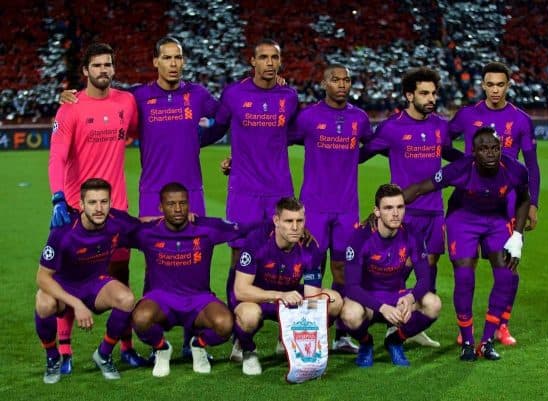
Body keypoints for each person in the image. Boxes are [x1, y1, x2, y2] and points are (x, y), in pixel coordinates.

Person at [60, 36, 221, 358]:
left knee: (196, 266)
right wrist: (71, 97)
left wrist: (198, 138)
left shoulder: (198, 94)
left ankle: (192, 340)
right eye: (167, 57)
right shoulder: (139, 98)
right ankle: (154, 336)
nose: (174, 63)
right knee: (154, 266)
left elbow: (226, 119)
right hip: (152, 194)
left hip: (192, 193)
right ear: (155, 62)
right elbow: (108, 104)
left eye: (178, 57)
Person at [48, 43, 144, 372]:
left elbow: (136, 128)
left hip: (116, 210)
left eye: (109, 64)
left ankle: (125, 348)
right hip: (77, 209)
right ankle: (64, 352)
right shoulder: (70, 108)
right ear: (85, 71)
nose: (104, 70)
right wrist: (58, 197)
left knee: (121, 276)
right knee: (66, 281)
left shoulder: (126, 102)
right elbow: (57, 156)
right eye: (97, 65)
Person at [403, 127, 530, 361]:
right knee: (464, 277)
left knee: (506, 275)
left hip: (496, 221)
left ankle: (487, 341)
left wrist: (518, 236)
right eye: (484, 149)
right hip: (463, 219)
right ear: (473, 152)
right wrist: (392, 202)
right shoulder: (461, 168)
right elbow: (422, 187)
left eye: (495, 148)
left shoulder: (515, 169)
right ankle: (468, 342)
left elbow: (524, 199)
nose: (490, 154)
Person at [360, 67, 462, 348]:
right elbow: (361, 155)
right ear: (409, 95)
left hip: (434, 212)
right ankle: (379, 317)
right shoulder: (391, 128)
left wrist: (477, 163)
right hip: (404, 213)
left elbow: (452, 155)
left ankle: (414, 325)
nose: (431, 98)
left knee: (429, 268)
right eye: (424, 93)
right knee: (400, 268)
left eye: (434, 93)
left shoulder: (440, 126)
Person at [449, 61, 541, 345]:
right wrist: (463, 165)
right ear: (483, 85)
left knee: (508, 268)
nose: (495, 90)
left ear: (508, 86)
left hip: (509, 203)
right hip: (470, 200)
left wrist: (533, 203)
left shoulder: (521, 120)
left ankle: (502, 324)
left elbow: (532, 166)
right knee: (468, 264)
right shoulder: (467, 115)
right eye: (490, 84)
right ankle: (465, 325)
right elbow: (442, 142)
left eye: (501, 85)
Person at [130, 182, 260, 377]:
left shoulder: (206, 228)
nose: (177, 209)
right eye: (171, 204)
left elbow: (246, 228)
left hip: (199, 300)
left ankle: (198, 345)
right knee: (140, 318)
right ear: (160, 207)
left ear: (189, 205)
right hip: (161, 300)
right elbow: (114, 229)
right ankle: (162, 348)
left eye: (182, 203)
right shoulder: (147, 231)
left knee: (225, 324)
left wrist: (286, 227)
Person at [287, 63, 373, 353]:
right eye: (335, 79)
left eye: (346, 79)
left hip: (347, 207)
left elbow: (369, 147)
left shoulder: (359, 119)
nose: (342, 84)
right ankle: (312, 333)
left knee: (343, 270)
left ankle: (341, 334)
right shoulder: (308, 117)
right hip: (314, 206)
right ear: (324, 83)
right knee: (312, 268)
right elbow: (279, 140)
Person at [35, 178, 139, 384]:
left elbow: (148, 228)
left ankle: (103, 354)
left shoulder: (118, 222)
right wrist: (77, 305)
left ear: (110, 203)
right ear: (81, 205)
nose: (99, 208)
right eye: (92, 203)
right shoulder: (62, 231)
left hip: (95, 283)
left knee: (126, 298)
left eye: (104, 202)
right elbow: (42, 277)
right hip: (63, 285)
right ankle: (53, 357)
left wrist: (185, 220)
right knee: (44, 303)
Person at [210, 39, 298, 269]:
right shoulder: (234, 93)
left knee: (282, 250)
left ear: (280, 62)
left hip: (278, 189)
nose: (269, 62)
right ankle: (234, 302)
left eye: (274, 57)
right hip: (244, 189)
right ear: (252, 61)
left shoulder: (289, 96)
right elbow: (218, 126)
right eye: (263, 57)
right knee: (239, 250)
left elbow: (293, 134)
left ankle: (274, 303)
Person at [230, 197, 342, 375]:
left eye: (300, 221)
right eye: (289, 221)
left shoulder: (310, 246)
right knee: (249, 316)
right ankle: (247, 348)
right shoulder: (257, 240)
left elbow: (312, 296)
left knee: (333, 301)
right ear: (276, 221)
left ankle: (288, 339)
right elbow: (241, 290)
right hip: (257, 297)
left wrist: (310, 327)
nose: (295, 227)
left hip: (289, 297)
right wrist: (278, 295)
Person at [341, 184, 442, 367]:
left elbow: (425, 278)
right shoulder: (360, 238)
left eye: (400, 207)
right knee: (350, 314)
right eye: (388, 208)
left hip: (397, 296)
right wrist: (382, 308)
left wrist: (411, 297)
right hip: (368, 300)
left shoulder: (412, 234)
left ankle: (395, 340)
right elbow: (351, 287)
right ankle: (366, 343)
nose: (395, 213)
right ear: (377, 211)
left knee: (433, 304)